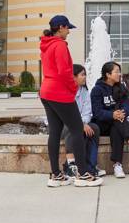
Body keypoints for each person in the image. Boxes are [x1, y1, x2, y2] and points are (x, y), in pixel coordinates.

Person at [39, 15, 102, 188]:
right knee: (76, 130)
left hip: (46, 91)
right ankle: (82, 174)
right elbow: (64, 72)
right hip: (60, 92)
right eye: (68, 28)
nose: (69, 32)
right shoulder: (59, 45)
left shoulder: (46, 44)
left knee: (54, 132)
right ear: (60, 27)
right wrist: (73, 89)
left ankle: (56, 175)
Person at [91, 61, 129, 179]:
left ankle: (118, 165)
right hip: (102, 124)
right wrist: (112, 115)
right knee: (117, 120)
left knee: (116, 128)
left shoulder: (121, 88)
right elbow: (97, 112)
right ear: (108, 74)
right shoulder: (97, 90)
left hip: (117, 124)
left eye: (119, 71)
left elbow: (127, 106)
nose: (119, 74)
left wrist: (122, 113)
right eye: (116, 72)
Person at [62, 65, 104, 178]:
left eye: (85, 74)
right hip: (63, 125)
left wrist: (84, 123)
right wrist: (80, 124)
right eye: (82, 74)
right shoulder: (64, 91)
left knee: (94, 128)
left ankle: (91, 166)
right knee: (73, 128)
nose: (85, 77)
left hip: (79, 122)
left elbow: (87, 112)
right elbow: (65, 114)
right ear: (73, 77)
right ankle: (70, 165)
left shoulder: (84, 91)